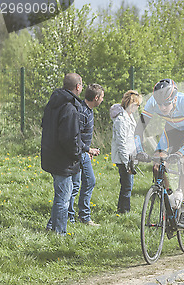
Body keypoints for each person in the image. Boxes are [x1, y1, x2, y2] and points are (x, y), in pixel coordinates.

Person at [135, 79, 184, 229]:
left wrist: (180, 152)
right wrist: (139, 150)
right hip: (171, 132)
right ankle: (170, 197)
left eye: (166, 104)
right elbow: (139, 129)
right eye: (160, 104)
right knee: (157, 166)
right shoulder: (153, 102)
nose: (163, 107)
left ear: (174, 98)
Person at [42, 73, 83, 235]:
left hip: (51, 155)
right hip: (63, 159)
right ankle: (59, 234)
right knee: (63, 198)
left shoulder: (53, 102)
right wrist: (76, 154)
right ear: (78, 87)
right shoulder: (69, 107)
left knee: (61, 194)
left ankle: (52, 227)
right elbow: (69, 137)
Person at [68, 83, 104, 226]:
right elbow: (76, 137)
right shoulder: (82, 112)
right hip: (79, 153)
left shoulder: (89, 110)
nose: (102, 100)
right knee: (80, 184)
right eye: (102, 97)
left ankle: (77, 216)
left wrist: (88, 149)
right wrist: (87, 150)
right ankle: (78, 216)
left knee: (81, 184)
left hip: (84, 152)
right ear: (96, 97)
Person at [110, 90, 143, 214]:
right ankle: (124, 211)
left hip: (130, 156)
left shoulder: (130, 117)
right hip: (124, 158)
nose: (137, 108)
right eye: (136, 105)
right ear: (130, 103)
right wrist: (127, 163)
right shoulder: (121, 120)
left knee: (127, 185)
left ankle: (122, 209)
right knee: (127, 186)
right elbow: (121, 143)